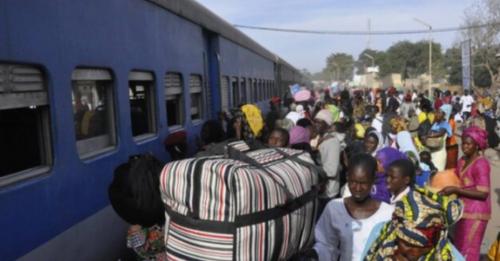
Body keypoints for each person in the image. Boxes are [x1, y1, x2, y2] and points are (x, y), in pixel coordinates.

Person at [314, 154, 394, 261]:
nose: (358, 188)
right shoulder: (335, 208)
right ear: (347, 177)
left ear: (373, 179)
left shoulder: (387, 214)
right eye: (353, 182)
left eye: (363, 183)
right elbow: (326, 245)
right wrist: (315, 254)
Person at [363, 187, 464, 260]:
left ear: (431, 245)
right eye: (405, 243)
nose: (407, 251)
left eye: (414, 246)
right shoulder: (380, 233)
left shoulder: (452, 257)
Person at [440, 126, 491, 261]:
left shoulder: (481, 164)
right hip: (462, 210)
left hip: (476, 213)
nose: (465, 147)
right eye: (463, 143)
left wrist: (456, 190)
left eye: (469, 144)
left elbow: (483, 193)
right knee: (459, 247)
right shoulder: (462, 161)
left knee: (468, 250)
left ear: (477, 145)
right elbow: (454, 178)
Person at [313, 109, 343, 199]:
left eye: (319, 122)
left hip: (329, 192)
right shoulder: (320, 138)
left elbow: (332, 171)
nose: (316, 125)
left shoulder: (332, 142)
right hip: (321, 190)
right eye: (315, 122)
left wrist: (313, 169)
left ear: (327, 125)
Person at [427, 104, 452, 171]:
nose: (437, 114)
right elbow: (429, 132)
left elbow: (440, 133)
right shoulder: (435, 124)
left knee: (438, 172)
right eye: (437, 112)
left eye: (439, 112)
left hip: (439, 153)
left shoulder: (445, 124)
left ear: (445, 115)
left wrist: (429, 135)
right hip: (432, 151)